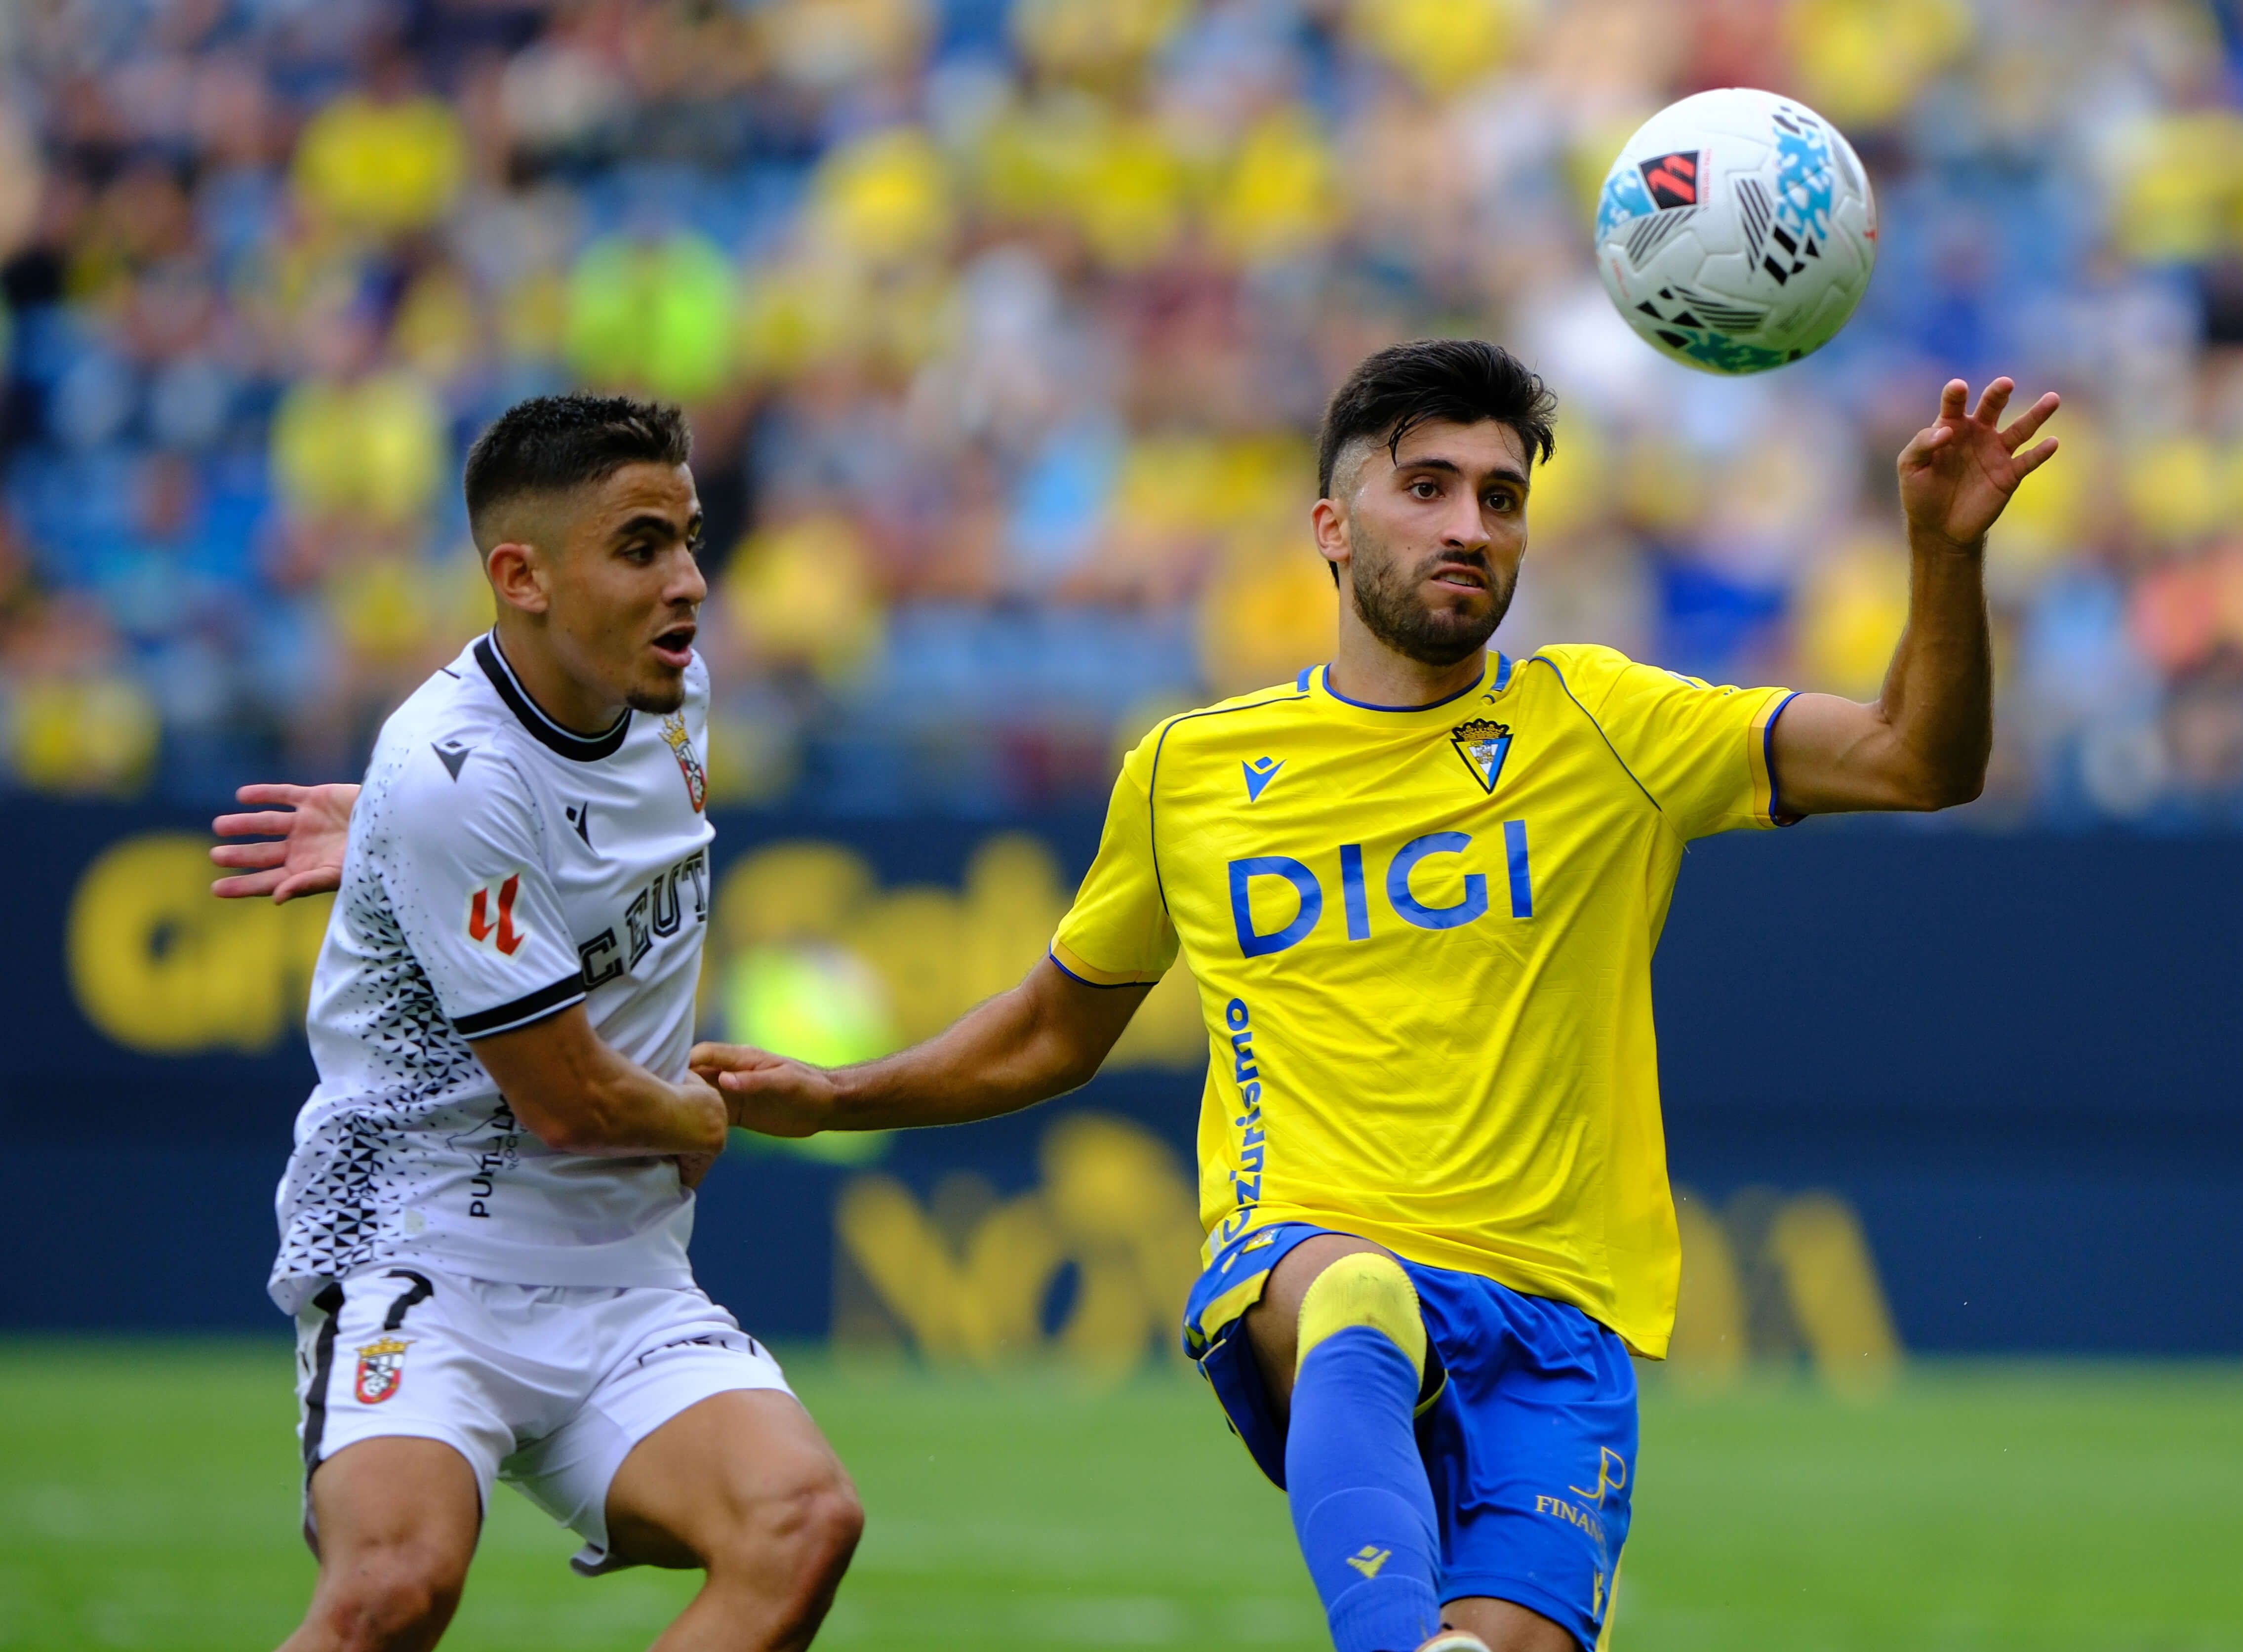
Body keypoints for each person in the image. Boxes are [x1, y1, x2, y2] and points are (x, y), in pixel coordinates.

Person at [232, 341, 2057, 1652]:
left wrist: (1942, 551)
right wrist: (836, 1090)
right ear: (1328, 526)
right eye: (1425, 485)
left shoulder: (1604, 723)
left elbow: (1915, 755)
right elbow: (1053, 1021)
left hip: (1564, 1318)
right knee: (1349, 1289)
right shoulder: (1195, 767)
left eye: (1500, 496)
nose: (1470, 525)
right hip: (1301, 1263)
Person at [209, 393, 863, 1652]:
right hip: (424, 1242)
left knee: (801, 1521)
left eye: (690, 538)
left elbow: (553, 839)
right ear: (522, 575)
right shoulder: (452, 776)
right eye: (639, 548)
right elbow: (568, 1100)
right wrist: (700, 1110)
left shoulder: (673, 693)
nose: (688, 583)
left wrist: (394, 837)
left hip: (621, 1269)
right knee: (391, 1590)